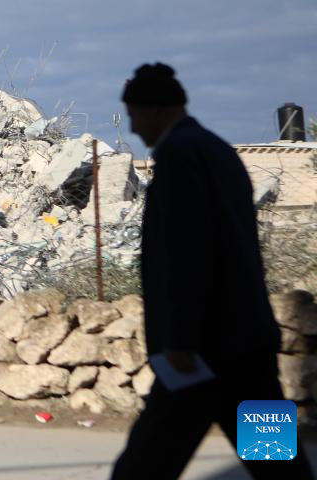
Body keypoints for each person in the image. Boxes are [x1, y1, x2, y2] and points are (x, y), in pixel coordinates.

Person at [111, 63, 313, 479]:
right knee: (277, 466)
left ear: (155, 110)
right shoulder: (218, 151)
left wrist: (181, 339)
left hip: (202, 355)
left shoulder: (180, 156)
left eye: (133, 115)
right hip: (246, 348)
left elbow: (190, 251)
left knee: (143, 468)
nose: (133, 128)